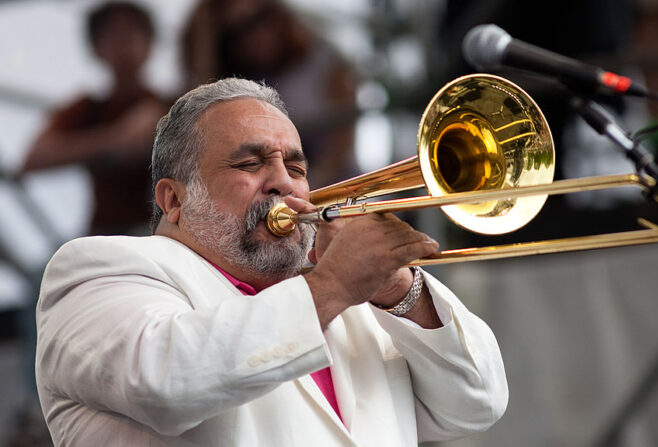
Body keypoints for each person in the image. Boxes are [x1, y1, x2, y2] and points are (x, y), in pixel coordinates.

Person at [34, 78, 508, 446]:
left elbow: (477, 403)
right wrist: (336, 283)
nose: (284, 182)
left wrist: (402, 294)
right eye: (250, 164)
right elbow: (164, 381)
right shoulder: (97, 268)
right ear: (174, 199)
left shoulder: (353, 305)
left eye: (297, 167)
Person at [19, 1, 167, 235]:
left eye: (132, 34)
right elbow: (32, 159)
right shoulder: (88, 109)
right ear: (97, 49)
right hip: (107, 232)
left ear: (149, 44)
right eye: (113, 37)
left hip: (163, 233)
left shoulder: (172, 104)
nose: (124, 46)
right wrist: (115, 141)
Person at [181, 0, 358, 188]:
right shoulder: (240, 82)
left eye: (261, 18)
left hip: (336, 185)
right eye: (236, 33)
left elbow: (343, 138)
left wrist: (311, 185)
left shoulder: (323, 58)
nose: (254, 36)